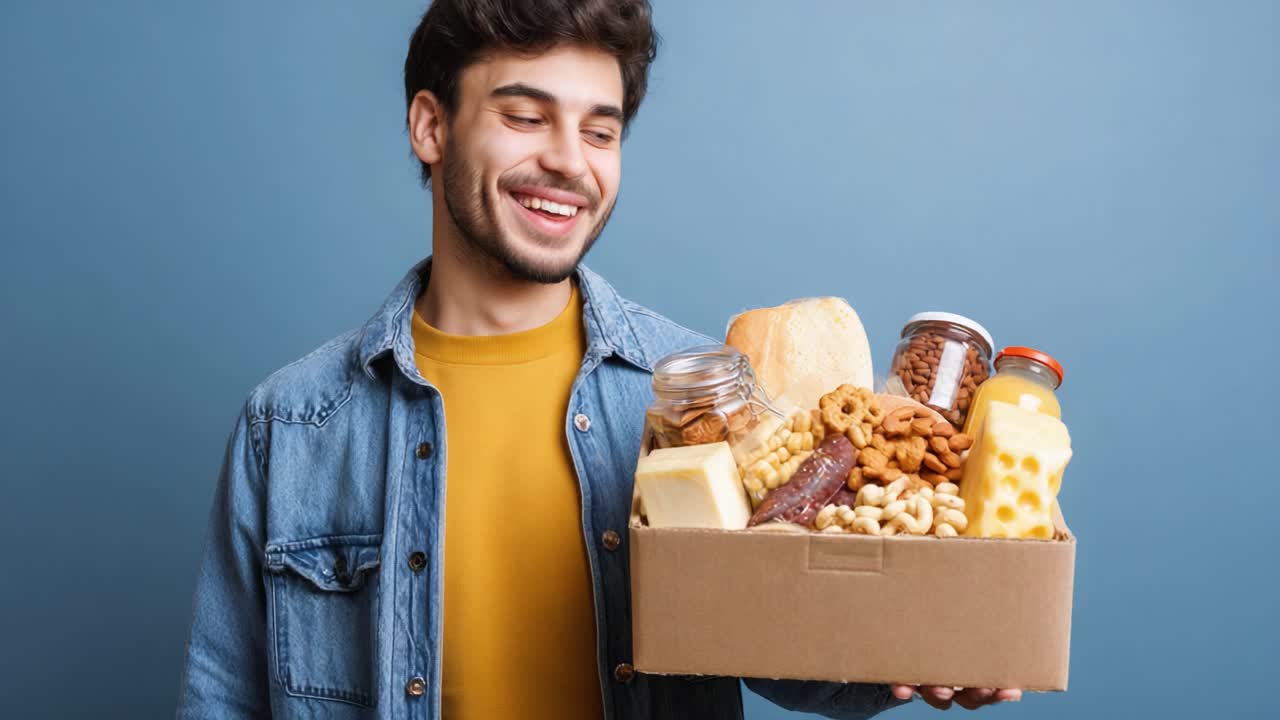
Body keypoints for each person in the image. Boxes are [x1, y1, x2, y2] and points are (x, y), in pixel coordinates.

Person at [176, 0, 1021, 717]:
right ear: (431, 126)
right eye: (524, 115)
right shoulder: (291, 426)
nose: (569, 163)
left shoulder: (704, 396)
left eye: (600, 130)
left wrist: (915, 646)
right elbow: (222, 696)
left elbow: (782, 639)